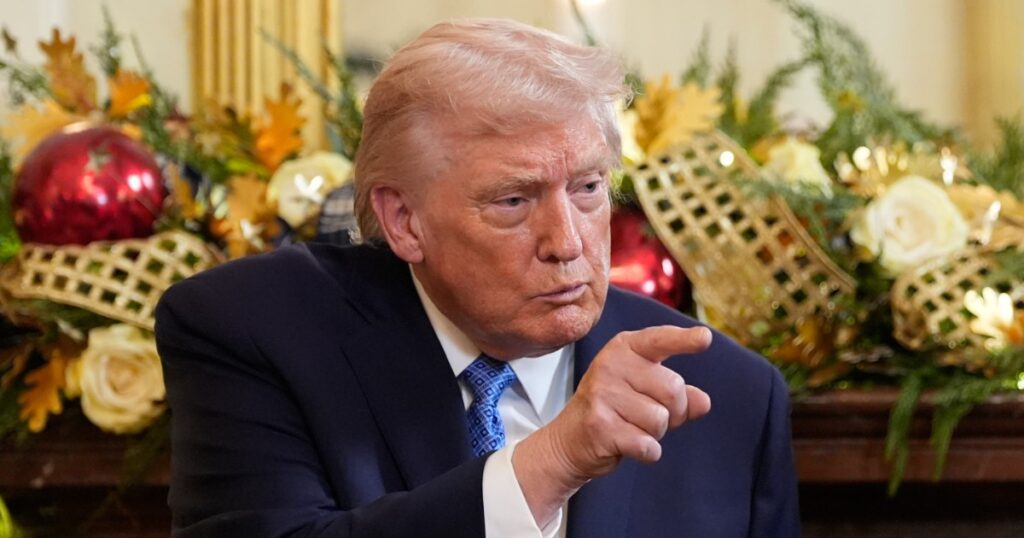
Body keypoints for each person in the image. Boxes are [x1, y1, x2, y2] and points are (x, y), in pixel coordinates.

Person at [155, 18, 800, 537]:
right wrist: (554, 460)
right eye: (512, 201)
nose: (567, 243)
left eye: (588, 188)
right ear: (404, 220)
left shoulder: (728, 394)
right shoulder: (257, 332)